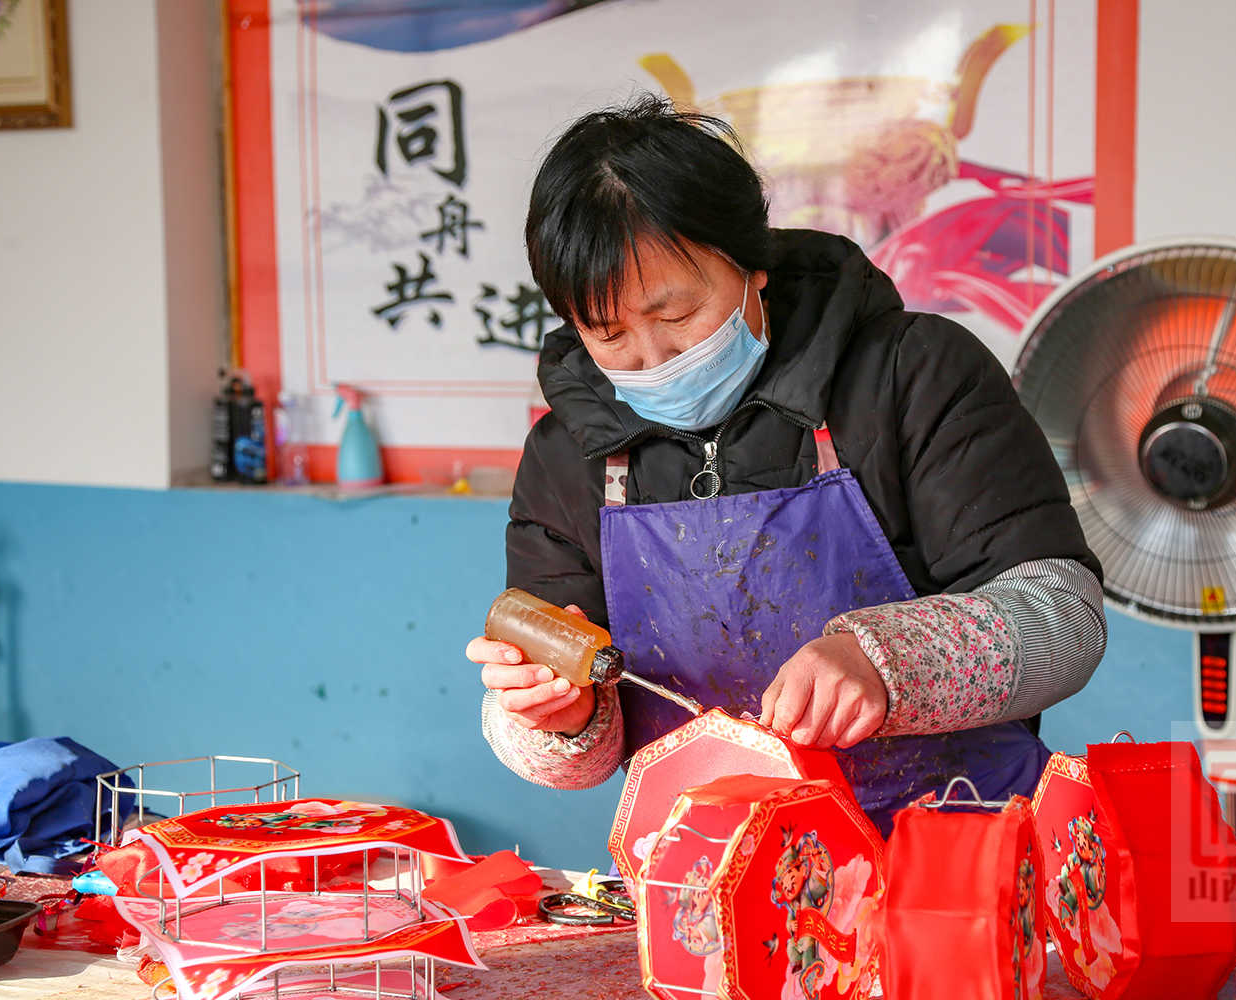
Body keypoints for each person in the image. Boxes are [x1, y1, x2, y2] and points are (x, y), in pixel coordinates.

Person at [466, 95, 1106, 836]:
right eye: (608, 334)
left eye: (677, 315)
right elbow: (575, 753)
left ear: (751, 265)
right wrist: (558, 717)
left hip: (958, 857)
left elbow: (1066, 618)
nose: (653, 357)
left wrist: (884, 661)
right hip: (707, 878)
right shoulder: (567, 453)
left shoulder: (913, 374)